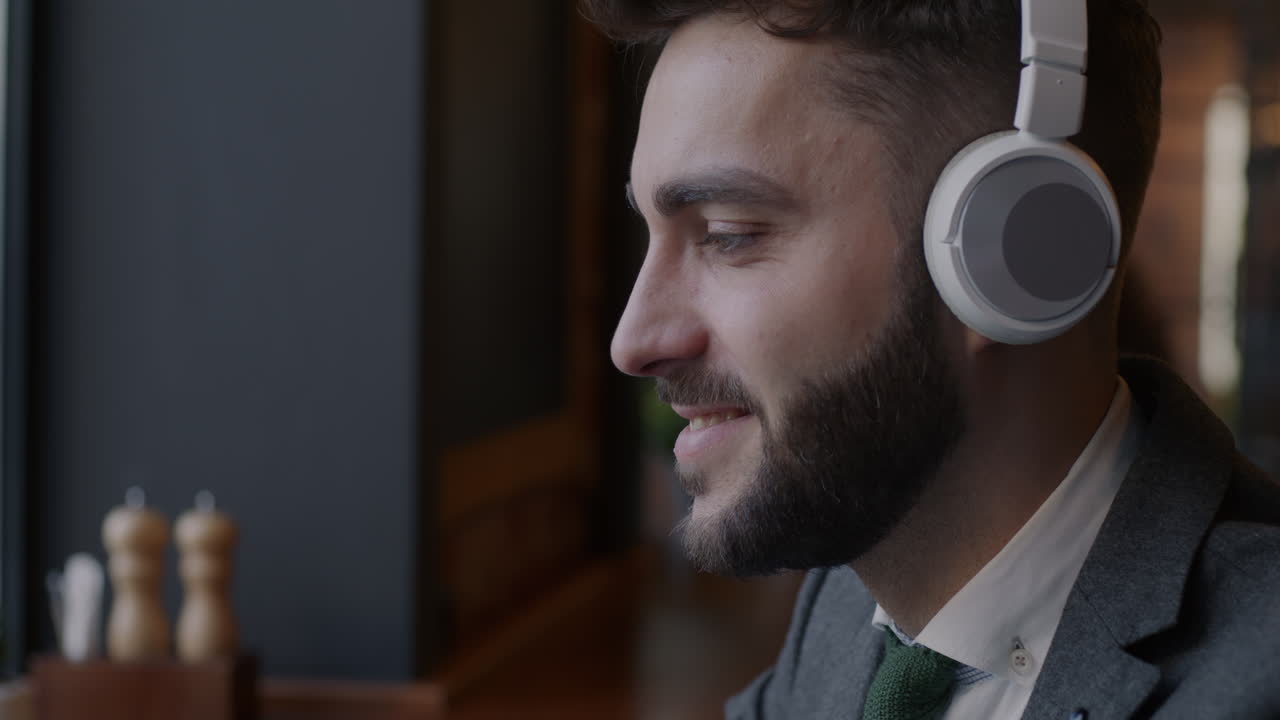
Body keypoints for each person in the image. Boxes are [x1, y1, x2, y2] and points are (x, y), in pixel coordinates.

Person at [589, 0, 1280, 718]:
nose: (634, 341)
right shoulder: (854, 598)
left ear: (1018, 248)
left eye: (727, 235)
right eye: (651, 230)